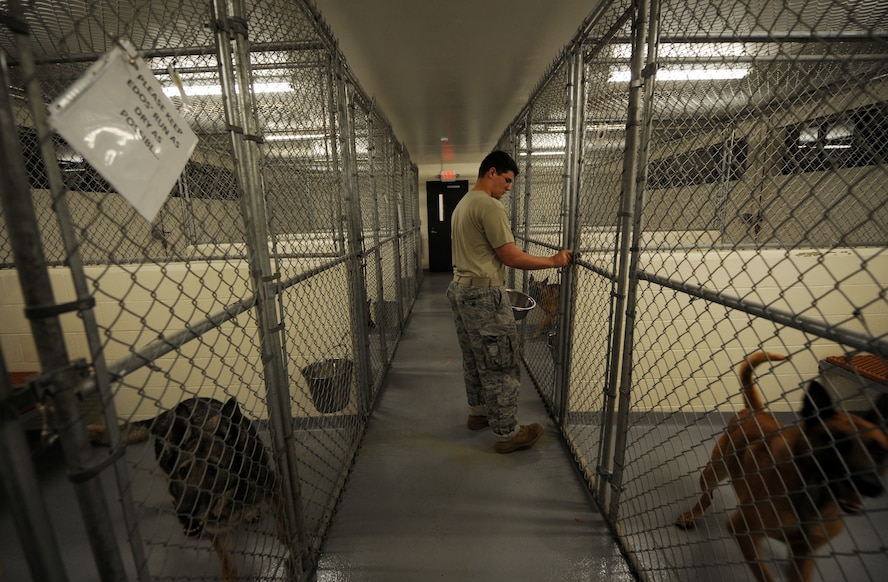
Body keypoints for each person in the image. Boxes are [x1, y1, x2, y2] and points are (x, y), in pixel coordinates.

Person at [446, 150, 573, 453]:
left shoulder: (463, 204)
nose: (508, 187)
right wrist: (553, 261)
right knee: (501, 362)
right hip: (483, 295)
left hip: (460, 289)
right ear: (491, 172)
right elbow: (510, 256)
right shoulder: (489, 206)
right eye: (506, 180)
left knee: (475, 357)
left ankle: (478, 414)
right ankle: (507, 433)